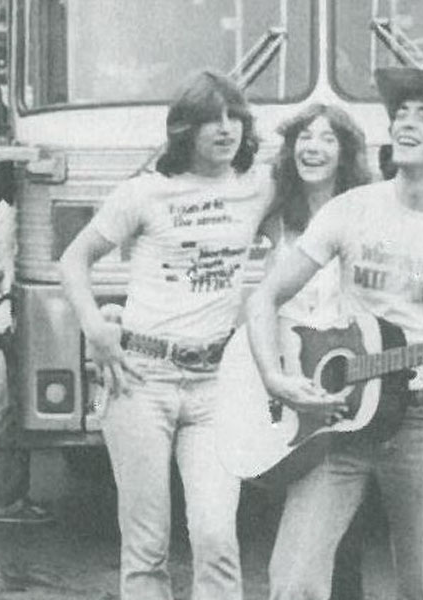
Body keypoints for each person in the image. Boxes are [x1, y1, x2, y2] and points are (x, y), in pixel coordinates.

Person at [246, 63, 423, 600]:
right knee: (293, 581)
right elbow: (265, 296)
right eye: (401, 115)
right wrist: (274, 376)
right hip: (337, 420)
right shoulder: (353, 209)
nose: (406, 125)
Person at [60, 70, 270, 600]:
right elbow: (73, 259)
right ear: (185, 131)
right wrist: (95, 328)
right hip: (140, 378)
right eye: (211, 120)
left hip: (215, 382)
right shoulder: (144, 192)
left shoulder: (260, 188)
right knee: (146, 548)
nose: (226, 130)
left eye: (234, 118)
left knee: (217, 536)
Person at [256, 103, 373, 600]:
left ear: (346, 153)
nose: (313, 147)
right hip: (282, 379)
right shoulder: (274, 215)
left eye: (328, 138)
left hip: (349, 382)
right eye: (305, 137)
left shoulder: (367, 213)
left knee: (343, 534)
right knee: (290, 519)